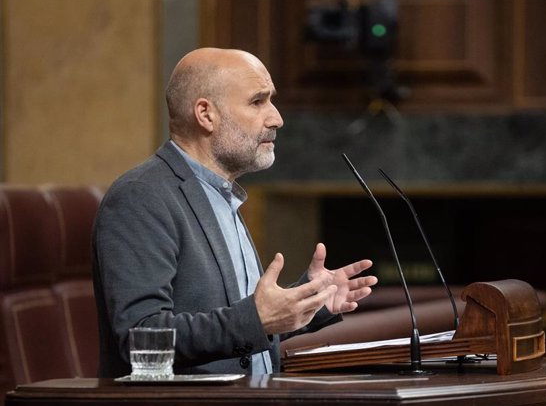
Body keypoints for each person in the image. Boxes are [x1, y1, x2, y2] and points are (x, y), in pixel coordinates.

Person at [92, 48, 378, 378]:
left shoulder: (220, 195)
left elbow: (236, 336)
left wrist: (307, 304)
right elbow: (140, 340)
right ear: (206, 114)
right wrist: (256, 319)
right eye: (258, 102)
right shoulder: (141, 197)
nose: (277, 118)